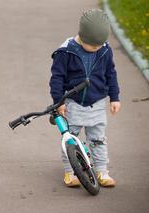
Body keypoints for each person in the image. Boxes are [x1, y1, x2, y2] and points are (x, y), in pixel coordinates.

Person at [49, 9, 121, 187]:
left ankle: (102, 171)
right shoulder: (65, 52)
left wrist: (114, 97)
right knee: (70, 139)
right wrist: (59, 102)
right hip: (72, 103)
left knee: (98, 139)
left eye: (100, 44)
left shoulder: (104, 50)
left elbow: (111, 73)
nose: (97, 48)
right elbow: (56, 78)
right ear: (82, 36)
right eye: (93, 46)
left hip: (96, 103)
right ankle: (70, 171)